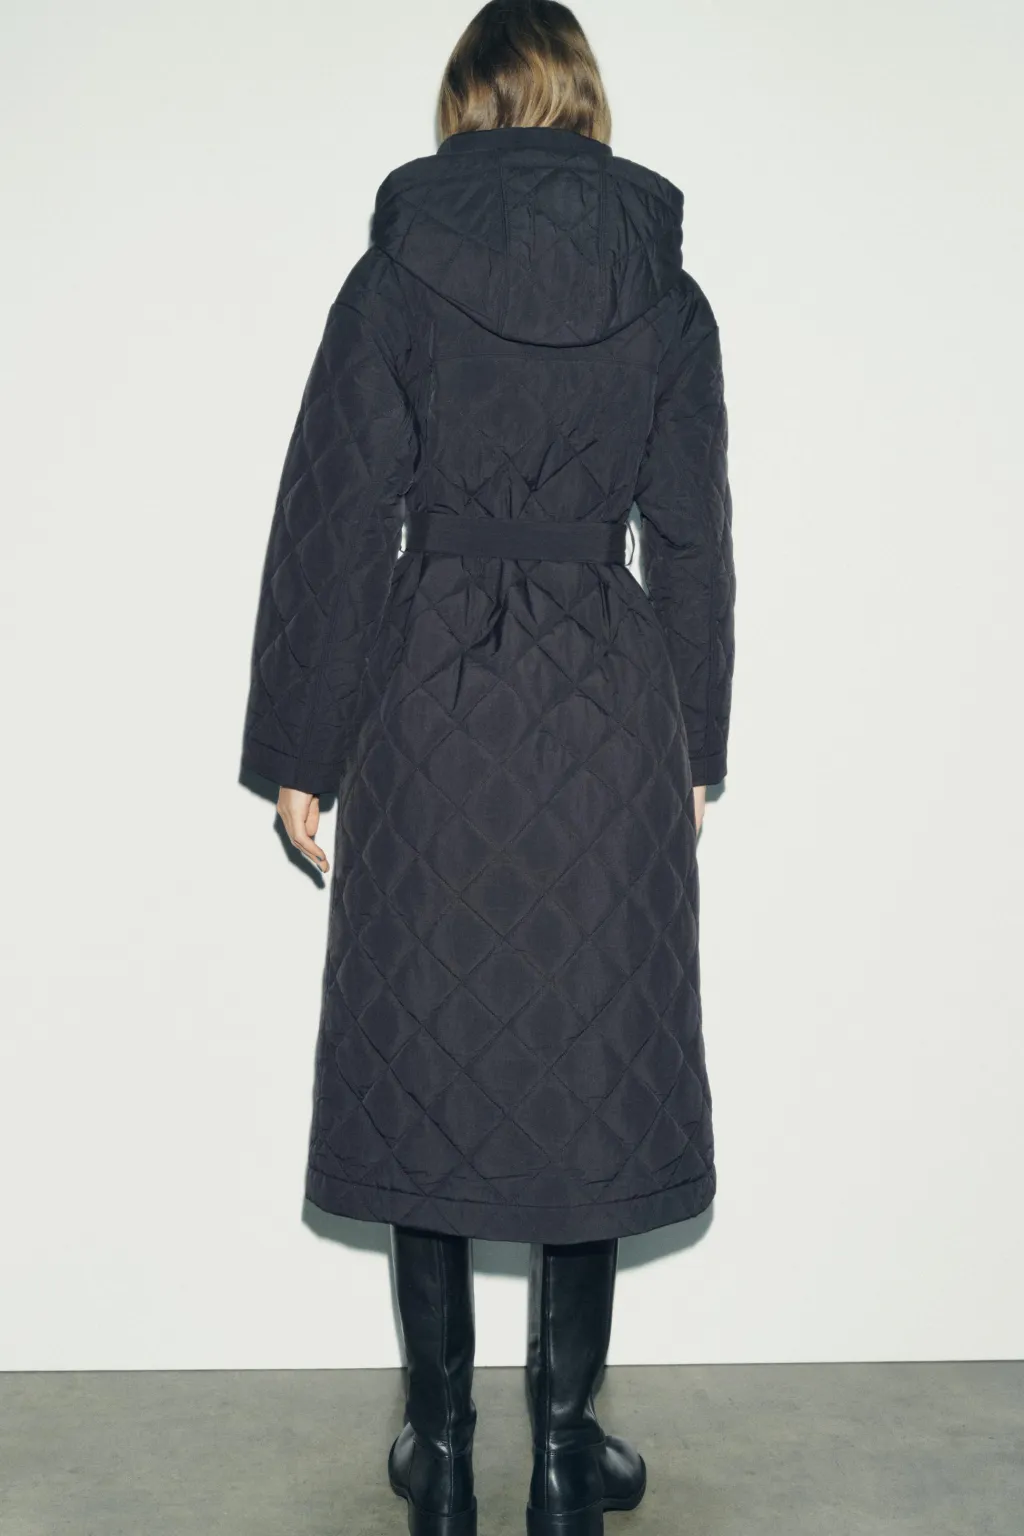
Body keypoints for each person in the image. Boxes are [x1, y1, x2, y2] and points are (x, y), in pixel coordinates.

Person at [239, 2, 736, 1531]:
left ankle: (443, 1452)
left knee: (427, 1058)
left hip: (431, 696)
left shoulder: (396, 275)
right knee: (594, 1054)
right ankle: (568, 1452)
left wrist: (302, 746)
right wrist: (696, 742)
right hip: (607, 708)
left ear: (466, 103)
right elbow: (694, 538)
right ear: (584, 99)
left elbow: (333, 515)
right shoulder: (669, 292)